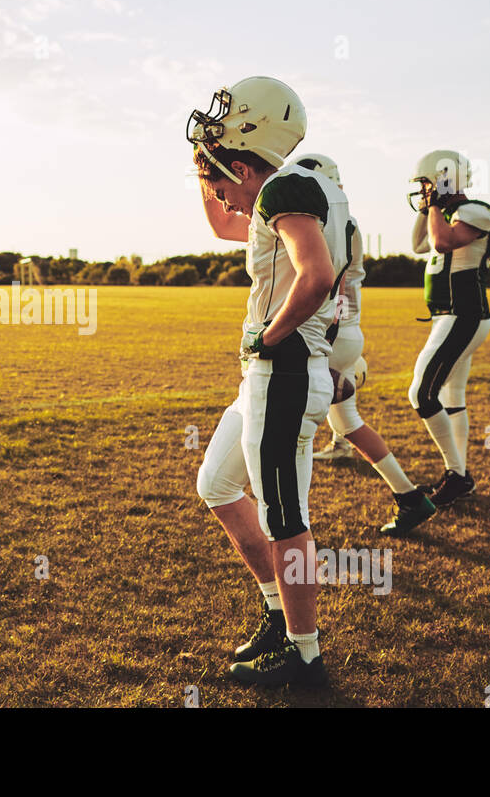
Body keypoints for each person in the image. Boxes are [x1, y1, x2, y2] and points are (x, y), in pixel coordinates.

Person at [189, 77, 347, 688]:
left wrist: (268, 337)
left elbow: (316, 277)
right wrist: (201, 172)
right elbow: (227, 225)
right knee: (218, 483)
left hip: (279, 376)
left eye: (219, 180)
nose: (221, 198)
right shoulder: (295, 191)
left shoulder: (289, 184)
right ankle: (277, 614)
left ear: (245, 142)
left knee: (286, 517)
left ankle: (304, 656)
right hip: (275, 377)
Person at [293, 154, 436, 537]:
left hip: (329, 331)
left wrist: (322, 335)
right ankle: (409, 496)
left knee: (293, 427)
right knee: (348, 422)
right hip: (345, 331)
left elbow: (324, 280)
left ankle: (293, 525)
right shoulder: (347, 219)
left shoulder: (327, 219)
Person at [406, 150, 490, 508]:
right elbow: (419, 245)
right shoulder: (442, 214)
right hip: (448, 315)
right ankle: (459, 474)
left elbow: (443, 242)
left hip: (464, 314)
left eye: (428, 183)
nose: (424, 190)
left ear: (446, 179)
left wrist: (434, 207)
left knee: (421, 394)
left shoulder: (478, 210)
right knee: (451, 397)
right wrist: (428, 207)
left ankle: (456, 475)